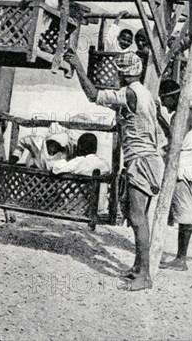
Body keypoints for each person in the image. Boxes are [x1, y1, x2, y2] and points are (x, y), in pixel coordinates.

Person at [66, 49, 164, 291]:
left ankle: (145, 276)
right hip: (147, 159)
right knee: (134, 215)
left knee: (138, 218)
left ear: (122, 73)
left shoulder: (129, 92)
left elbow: (92, 95)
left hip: (141, 160)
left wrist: (78, 65)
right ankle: (139, 268)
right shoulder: (143, 94)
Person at [157, 79, 192, 271]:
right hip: (188, 166)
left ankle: (181, 259)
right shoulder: (188, 110)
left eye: (165, 100)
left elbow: (174, 138)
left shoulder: (184, 114)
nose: (164, 105)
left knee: (184, 212)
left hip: (182, 168)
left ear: (173, 97)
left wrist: (159, 119)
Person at [10, 124, 75, 171]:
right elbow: (22, 142)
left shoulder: (65, 150)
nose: (57, 146)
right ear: (49, 141)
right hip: (35, 174)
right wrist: (16, 155)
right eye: (55, 143)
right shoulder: (38, 143)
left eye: (59, 145)